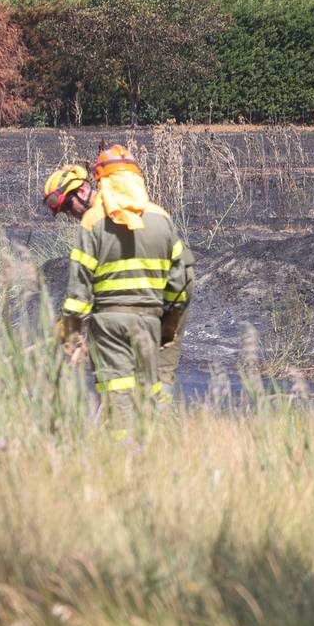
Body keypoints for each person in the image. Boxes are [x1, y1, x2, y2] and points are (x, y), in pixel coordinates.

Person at [43, 146, 194, 430]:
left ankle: (120, 453)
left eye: (65, 206)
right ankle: (164, 445)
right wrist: (167, 323)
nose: (67, 214)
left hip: (117, 324)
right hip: (153, 321)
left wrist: (70, 331)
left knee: (119, 390)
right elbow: (183, 279)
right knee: (154, 388)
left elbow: (80, 290)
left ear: (83, 190)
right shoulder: (160, 216)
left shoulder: (92, 223)